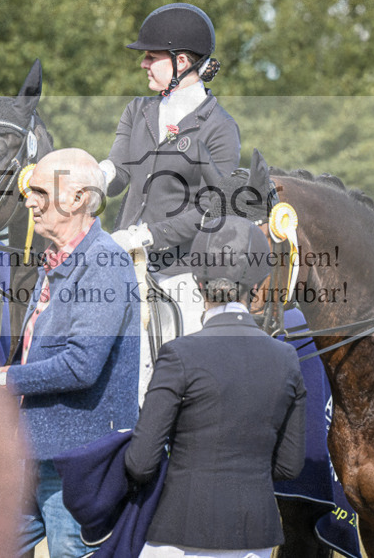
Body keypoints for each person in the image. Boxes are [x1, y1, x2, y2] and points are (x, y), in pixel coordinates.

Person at [125, 215, 307, 557]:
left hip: (179, 531)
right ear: (258, 285)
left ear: (198, 283)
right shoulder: (286, 358)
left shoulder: (179, 354)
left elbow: (141, 462)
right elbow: (288, 466)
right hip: (254, 534)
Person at [0, 148, 140, 557]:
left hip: (76, 461)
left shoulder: (104, 262)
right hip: (36, 451)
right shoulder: (56, 261)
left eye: (39, 190)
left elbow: (81, 365)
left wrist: (5, 379)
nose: (29, 201)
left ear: (76, 198)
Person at [101, 2, 241, 400]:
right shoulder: (138, 110)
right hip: (123, 263)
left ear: (181, 61)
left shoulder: (219, 128)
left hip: (178, 272)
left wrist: (148, 235)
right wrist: (91, 178)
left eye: (151, 56)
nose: (143, 64)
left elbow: (213, 206)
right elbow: (119, 169)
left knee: (174, 382)